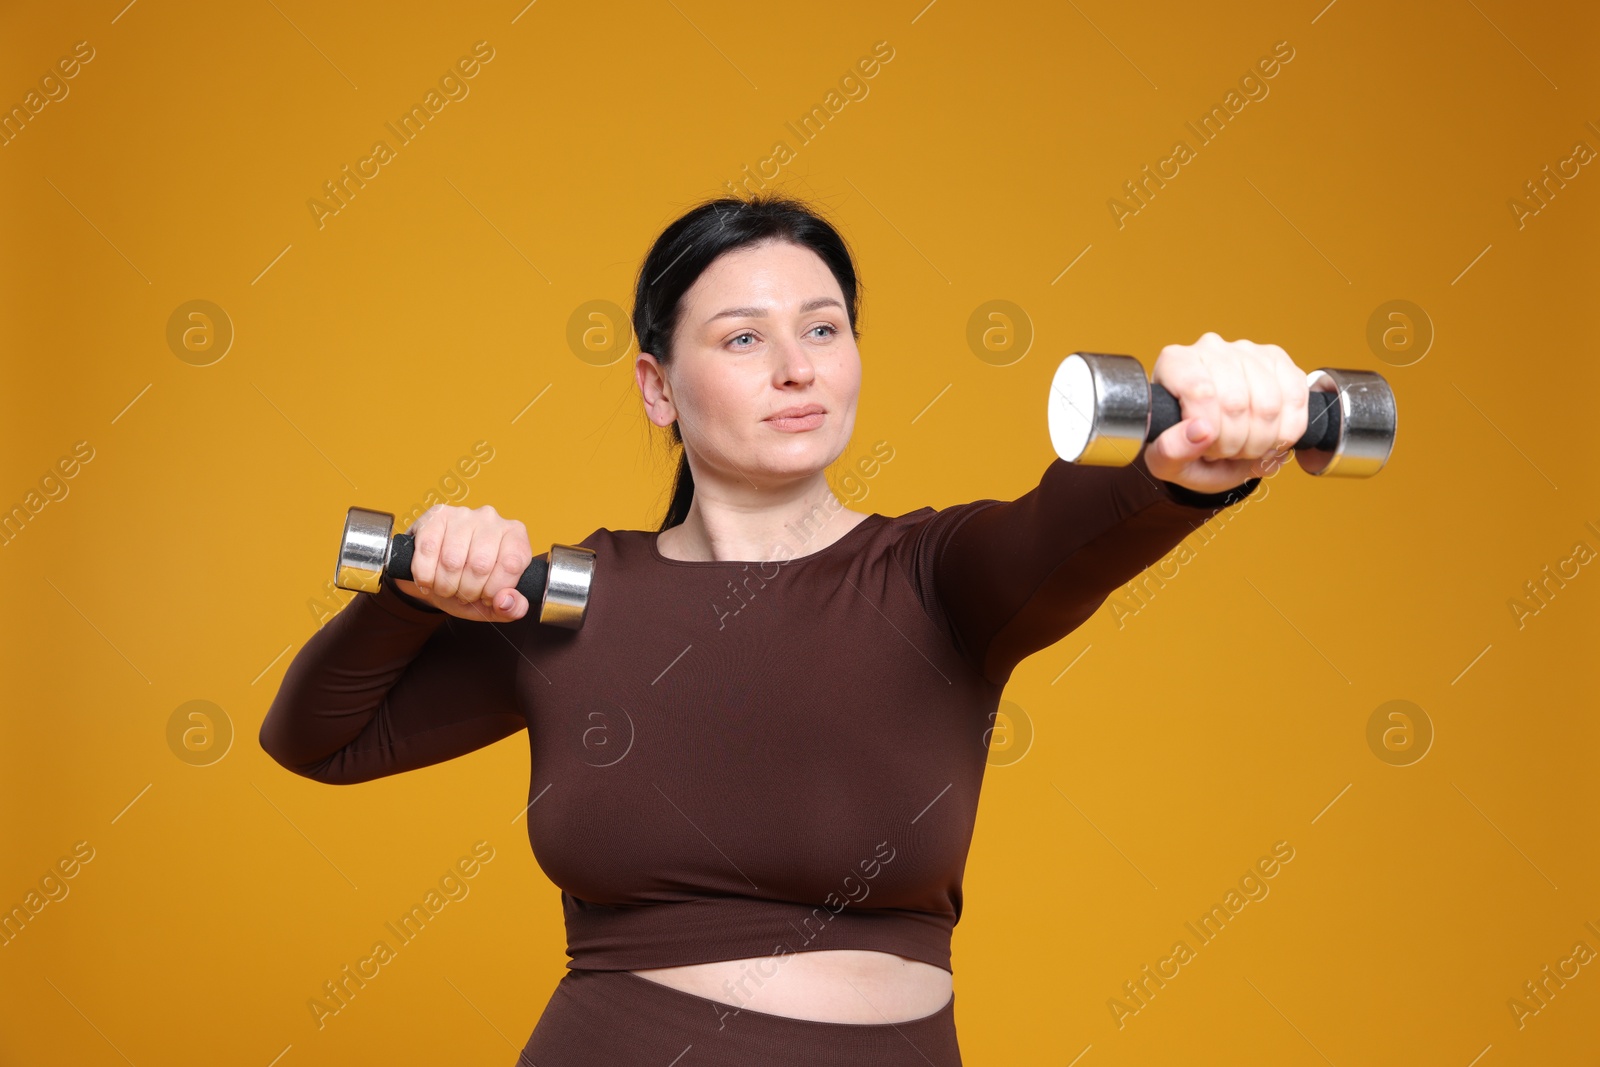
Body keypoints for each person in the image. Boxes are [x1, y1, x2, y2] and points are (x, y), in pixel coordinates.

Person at [259, 193, 1306, 1065]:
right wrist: (409, 593)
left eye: (823, 326)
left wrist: (1186, 463)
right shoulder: (570, 597)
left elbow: (1080, 515)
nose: (797, 366)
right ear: (656, 386)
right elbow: (319, 738)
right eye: (744, 337)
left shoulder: (935, 579)